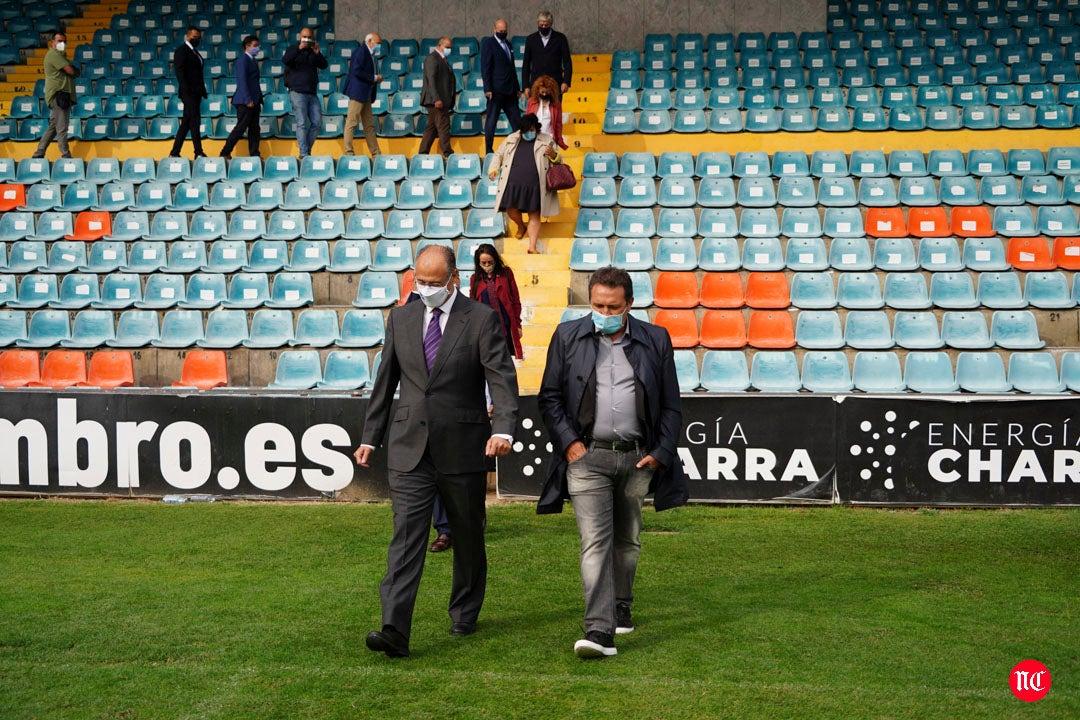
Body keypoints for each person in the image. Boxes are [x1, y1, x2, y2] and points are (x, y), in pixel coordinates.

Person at [355, 245, 519, 658]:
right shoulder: (401, 317)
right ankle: (394, 628)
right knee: (406, 537)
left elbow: (501, 377)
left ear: (454, 279)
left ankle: (464, 609)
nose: (425, 290)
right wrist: (369, 436)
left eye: (433, 283)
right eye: (420, 282)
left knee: (466, 534)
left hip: (463, 446)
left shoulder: (480, 319)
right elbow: (385, 381)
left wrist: (504, 430)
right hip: (409, 446)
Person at [537, 266, 688, 659]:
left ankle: (622, 603)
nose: (604, 311)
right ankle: (599, 630)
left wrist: (661, 452)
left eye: (613, 306)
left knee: (627, 541)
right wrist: (570, 444)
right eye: (598, 304)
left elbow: (671, 404)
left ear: (630, 304)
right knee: (596, 543)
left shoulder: (655, 339)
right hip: (587, 458)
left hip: (639, 458)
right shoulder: (567, 336)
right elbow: (549, 397)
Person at [488, 113, 560, 254]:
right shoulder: (511, 139)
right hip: (513, 184)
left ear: (537, 129)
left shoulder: (547, 140)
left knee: (534, 214)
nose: (529, 133)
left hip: (536, 185)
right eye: (526, 130)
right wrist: (494, 169)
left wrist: (553, 155)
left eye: (532, 130)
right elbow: (498, 155)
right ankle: (521, 226)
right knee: (511, 209)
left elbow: (559, 160)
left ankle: (532, 247)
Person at [470, 243, 522, 360]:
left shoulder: (506, 274)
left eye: (490, 262)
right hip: (485, 329)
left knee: (506, 360)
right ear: (478, 263)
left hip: (506, 327)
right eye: (484, 263)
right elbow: (472, 306)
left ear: (496, 260)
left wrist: (518, 325)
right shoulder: (475, 279)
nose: (487, 265)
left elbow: (516, 301)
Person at [282, 27, 328, 158]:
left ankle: (306, 149)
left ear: (312, 38)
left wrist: (318, 53)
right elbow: (285, 60)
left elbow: (324, 65)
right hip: (297, 92)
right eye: (304, 37)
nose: (306, 39)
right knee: (301, 123)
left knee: (317, 122)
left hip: (312, 93)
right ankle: (304, 153)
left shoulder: (313, 51)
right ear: (299, 37)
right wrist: (299, 48)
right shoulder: (293, 49)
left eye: (309, 37)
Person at [32, 32, 78, 160]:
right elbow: (70, 70)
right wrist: (73, 70)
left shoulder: (59, 55)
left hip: (59, 95)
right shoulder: (54, 54)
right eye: (59, 41)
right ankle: (65, 154)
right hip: (59, 96)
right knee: (62, 127)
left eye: (64, 41)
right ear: (52, 42)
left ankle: (39, 152)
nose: (62, 44)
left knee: (53, 127)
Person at [480, 18, 521, 155]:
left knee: (517, 120)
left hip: (510, 91)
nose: (503, 33)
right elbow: (485, 68)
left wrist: (517, 87)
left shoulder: (508, 44)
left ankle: (521, 147)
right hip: (496, 91)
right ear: (494, 30)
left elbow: (512, 68)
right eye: (500, 31)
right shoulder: (488, 44)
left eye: (505, 31)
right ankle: (488, 149)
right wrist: (487, 88)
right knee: (491, 120)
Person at [220, 35, 262, 161]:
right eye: (255, 46)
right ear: (247, 46)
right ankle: (225, 152)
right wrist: (247, 98)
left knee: (254, 128)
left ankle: (254, 153)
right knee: (241, 128)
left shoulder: (252, 60)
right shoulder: (242, 60)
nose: (257, 48)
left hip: (255, 100)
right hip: (245, 101)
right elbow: (242, 81)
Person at [169, 26, 207, 159]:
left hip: (196, 93)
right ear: (188, 36)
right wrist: (188, 91)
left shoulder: (194, 51)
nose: (196, 39)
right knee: (194, 121)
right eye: (194, 37)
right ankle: (198, 152)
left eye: (198, 37)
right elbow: (180, 73)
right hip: (189, 93)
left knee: (186, 123)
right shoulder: (182, 51)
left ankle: (175, 152)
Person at [343, 32, 382, 157]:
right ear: (370, 41)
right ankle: (348, 152)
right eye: (378, 43)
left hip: (366, 94)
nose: (379, 45)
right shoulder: (361, 52)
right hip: (358, 92)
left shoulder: (371, 55)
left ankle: (376, 154)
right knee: (352, 122)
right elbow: (356, 71)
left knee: (369, 125)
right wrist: (374, 78)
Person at [417, 36, 455, 158]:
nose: (449, 49)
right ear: (439, 46)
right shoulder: (432, 59)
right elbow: (431, 80)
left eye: (450, 48)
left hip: (440, 99)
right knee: (443, 125)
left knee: (432, 128)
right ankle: (448, 153)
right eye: (447, 47)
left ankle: (423, 153)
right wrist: (436, 98)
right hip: (437, 100)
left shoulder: (442, 59)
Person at [521, 10, 573, 97]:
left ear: (551, 24)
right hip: (536, 85)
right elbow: (526, 64)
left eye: (546, 25)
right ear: (538, 23)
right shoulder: (531, 39)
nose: (544, 27)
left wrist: (566, 82)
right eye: (541, 25)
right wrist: (526, 86)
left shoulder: (560, 38)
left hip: (555, 84)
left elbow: (567, 62)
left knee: (554, 110)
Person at [524, 76, 567, 150]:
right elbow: (526, 121)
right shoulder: (531, 102)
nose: (544, 94)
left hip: (549, 138)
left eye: (546, 92)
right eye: (542, 92)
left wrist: (559, 140)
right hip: (534, 138)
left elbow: (558, 124)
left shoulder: (557, 105)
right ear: (538, 90)